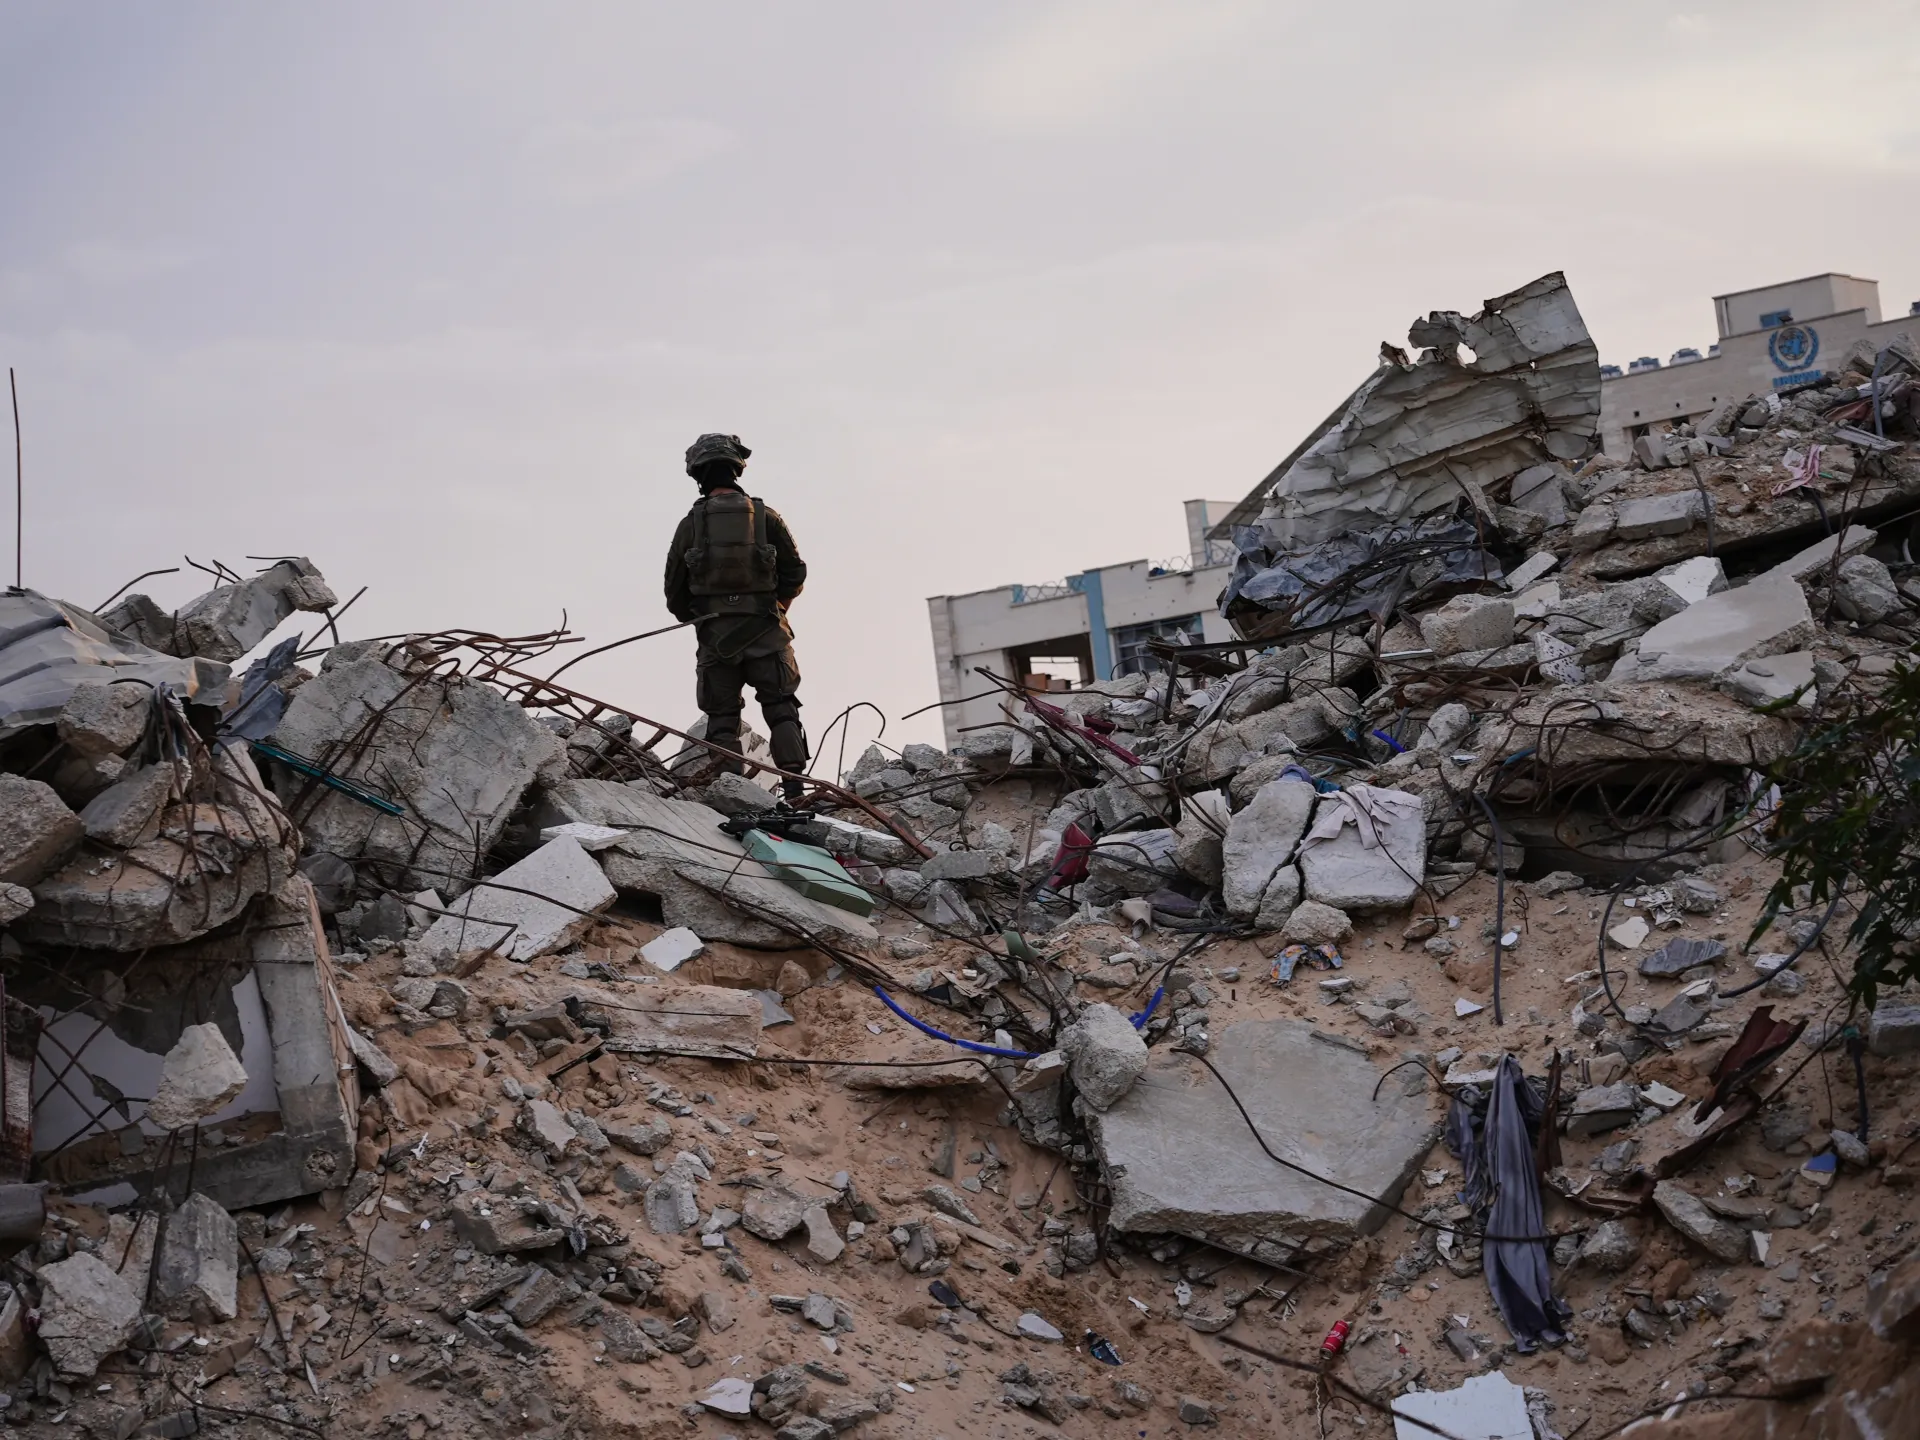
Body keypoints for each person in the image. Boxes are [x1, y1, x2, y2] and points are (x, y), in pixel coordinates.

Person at [663, 433, 810, 800]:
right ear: (736, 469)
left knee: (722, 720)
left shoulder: (689, 525)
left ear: (698, 474)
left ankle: (734, 794)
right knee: (781, 708)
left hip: (715, 641)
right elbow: (795, 574)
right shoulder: (766, 517)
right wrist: (775, 610)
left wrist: (707, 620)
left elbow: (675, 595)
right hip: (769, 634)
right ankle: (795, 790)